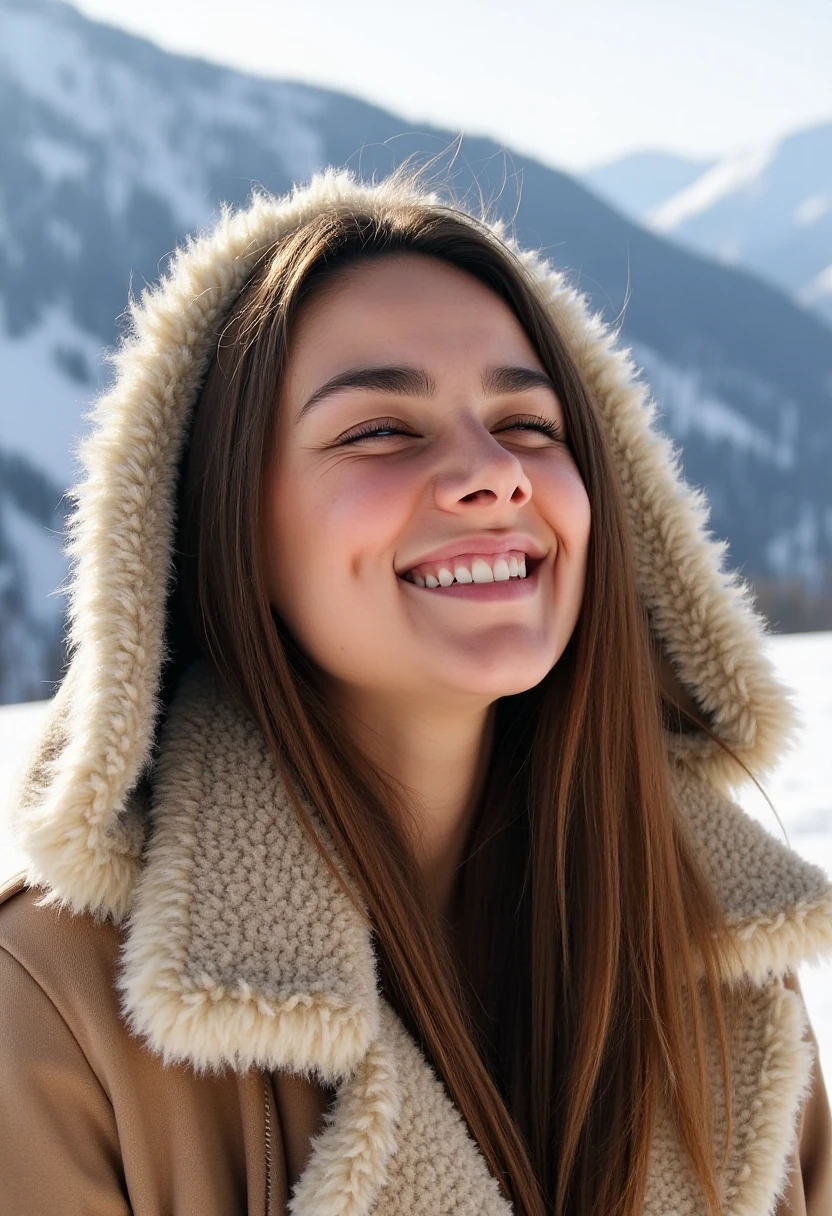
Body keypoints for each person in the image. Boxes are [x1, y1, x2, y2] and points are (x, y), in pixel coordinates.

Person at [1, 164, 830, 1216]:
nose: (494, 473)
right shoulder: (53, 1010)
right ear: (228, 532)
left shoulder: (717, 959)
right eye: (379, 430)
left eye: (529, 423)